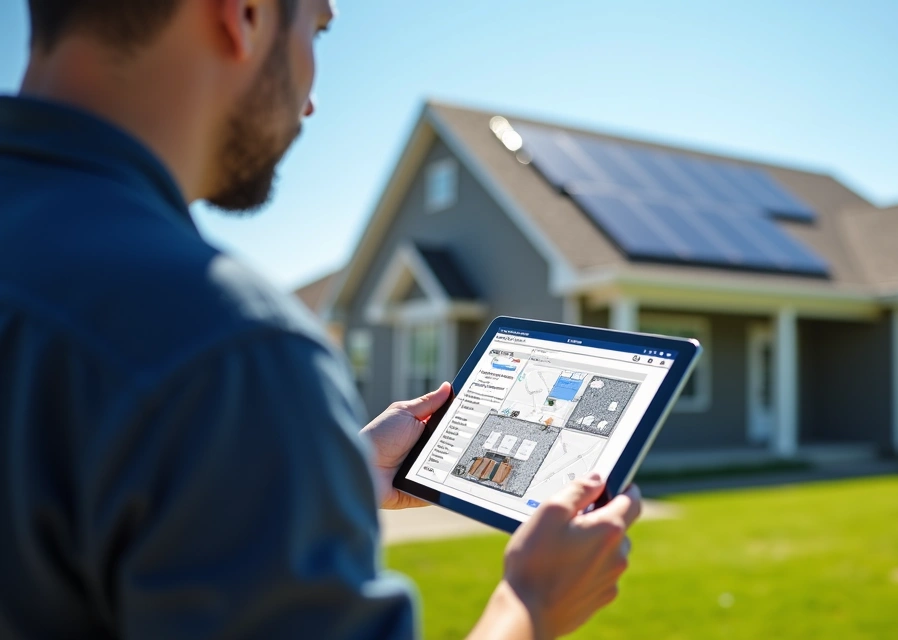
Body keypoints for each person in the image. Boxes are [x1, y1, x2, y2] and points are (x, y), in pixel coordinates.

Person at [0, 1, 640, 638]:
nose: (309, 104)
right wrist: (531, 604)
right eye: (318, 30)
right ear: (244, 16)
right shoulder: (230, 350)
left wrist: (337, 471)